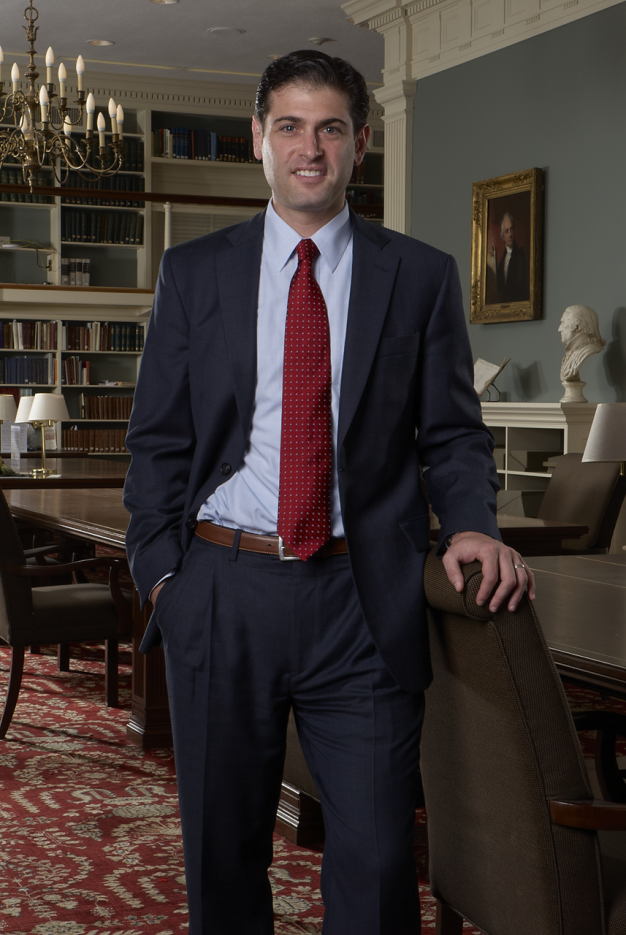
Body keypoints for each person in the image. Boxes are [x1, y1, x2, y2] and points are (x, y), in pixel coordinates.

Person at [123, 50, 535, 935]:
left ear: (360, 143)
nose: (310, 146)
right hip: (223, 590)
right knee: (224, 855)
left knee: (381, 855)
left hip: (363, 599)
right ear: (260, 144)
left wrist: (471, 523)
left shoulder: (418, 275)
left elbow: (455, 433)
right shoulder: (195, 275)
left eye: (331, 128)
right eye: (290, 127)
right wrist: (165, 579)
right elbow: (159, 440)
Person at [489, 211, 529, 303]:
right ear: (503, 237)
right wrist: (491, 258)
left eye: (511, 229)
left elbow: (519, 284)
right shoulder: (501, 261)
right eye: (507, 231)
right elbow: (497, 286)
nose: (510, 234)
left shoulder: (520, 254)